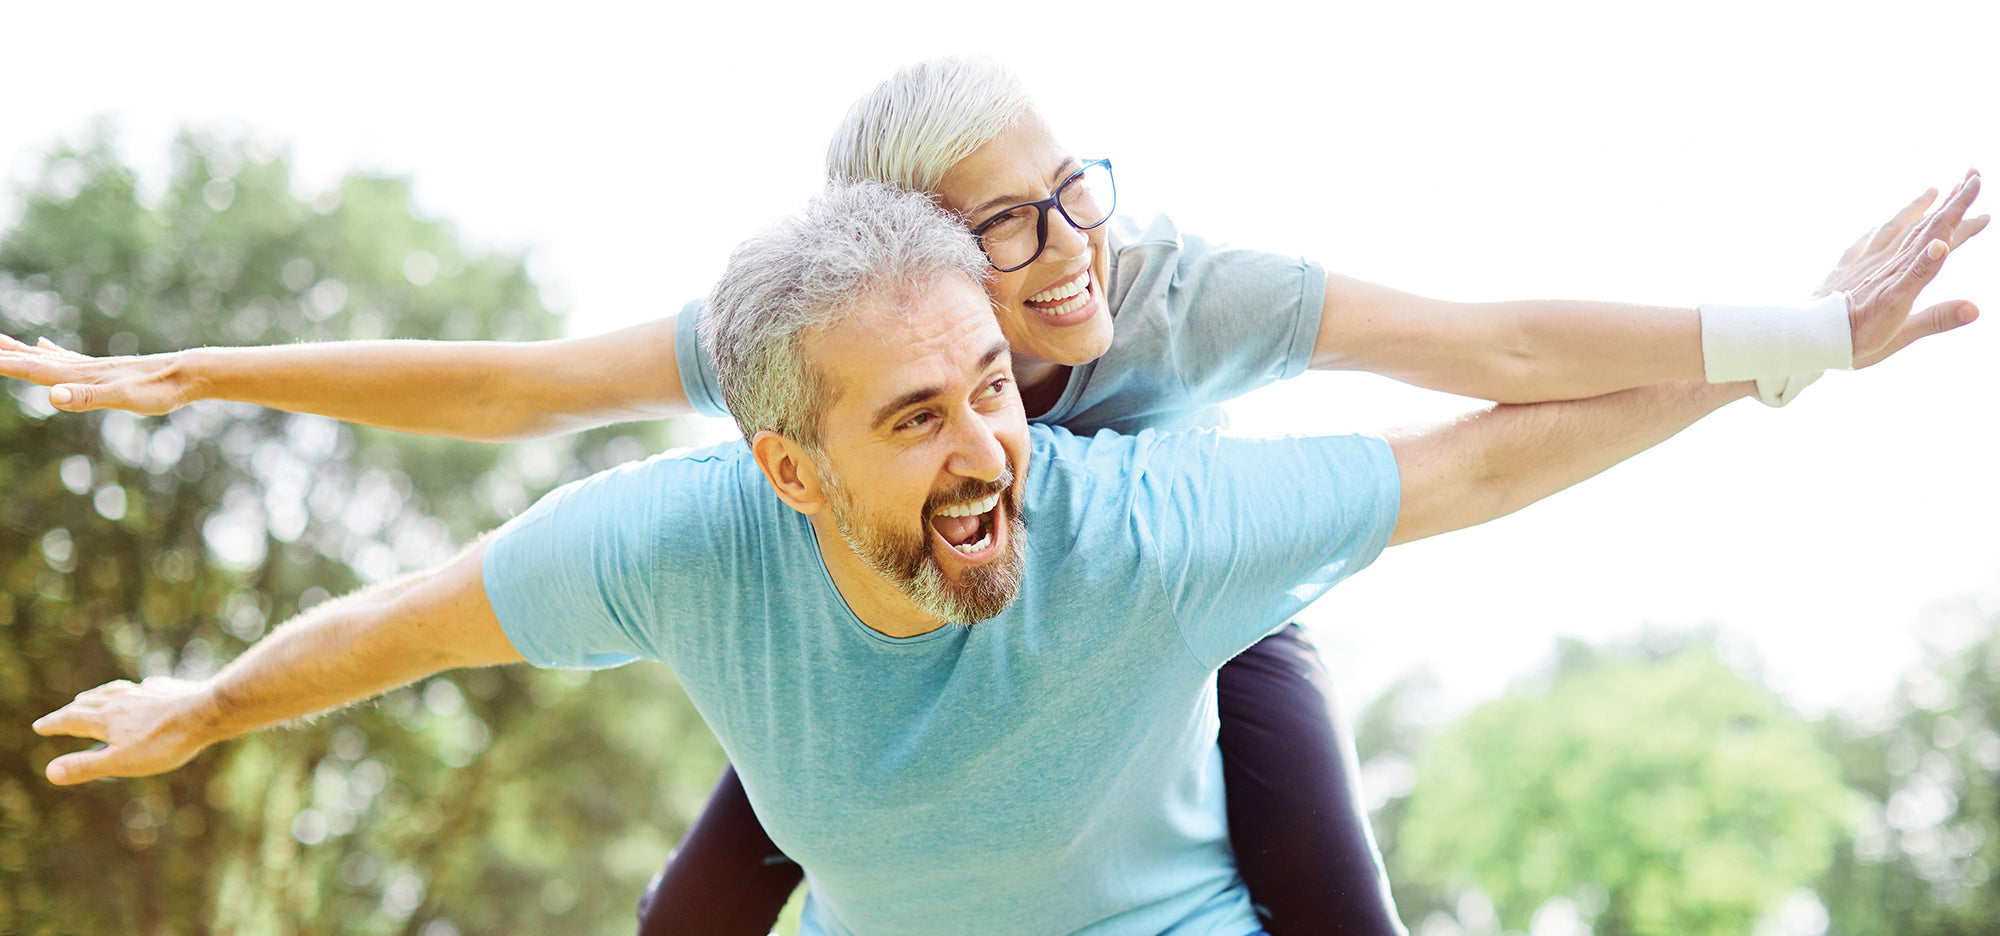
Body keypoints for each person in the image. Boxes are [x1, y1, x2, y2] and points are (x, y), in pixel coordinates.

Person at [4, 58, 1986, 936]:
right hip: (873, 620)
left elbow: (1495, 372)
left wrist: (1791, 333)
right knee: (728, 871)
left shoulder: (1175, 299)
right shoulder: (804, 359)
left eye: (1073, 188)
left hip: (1180, 614)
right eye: (1002, 225)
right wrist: (198, 374)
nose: (1066, 250)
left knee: (1317, 881)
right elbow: (516, 398)